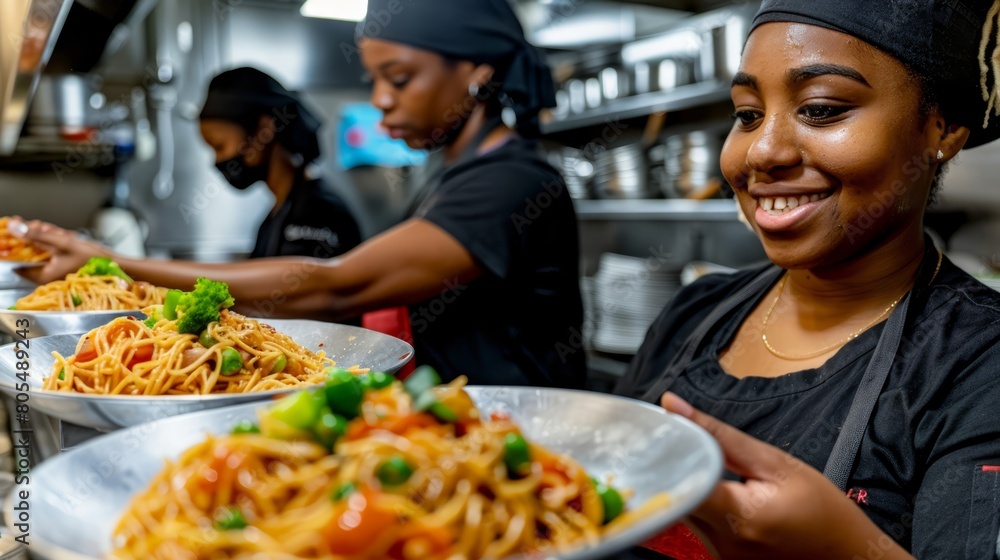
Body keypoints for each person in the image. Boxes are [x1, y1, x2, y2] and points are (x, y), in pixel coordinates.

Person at [12, 0, 585, 389]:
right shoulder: (461, 179)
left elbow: (341, 282)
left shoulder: (512, 183)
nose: (382, 100)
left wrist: (112, 263)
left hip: (511, 430)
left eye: (400, 78)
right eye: (376, 80)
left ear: (476, 74)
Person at [614, 1, 1000, 558]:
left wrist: (846, 547)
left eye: (820, 109)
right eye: (747, 115)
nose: (762, 151)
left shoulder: (977, 363)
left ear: (942, 129)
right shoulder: (695, 311)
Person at [198, 67, 361, 259]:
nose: (217, 161)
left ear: (263, 131)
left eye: (219, 146)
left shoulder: (318, 212)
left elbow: (291, 281)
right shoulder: (277, 213)